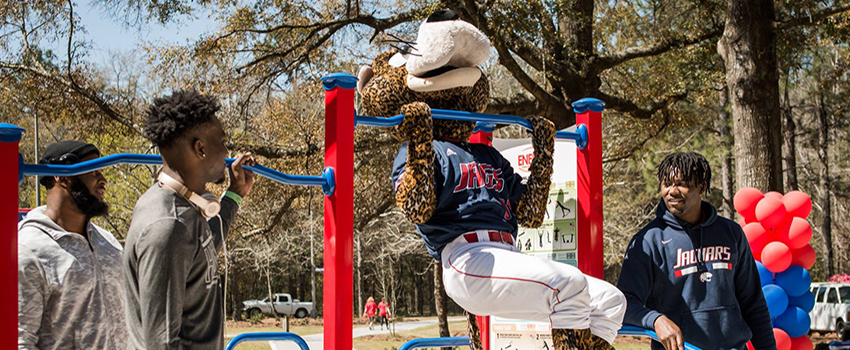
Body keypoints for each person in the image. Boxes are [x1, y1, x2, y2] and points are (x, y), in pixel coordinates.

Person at [123, 89, 255, 350]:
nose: (227, 153)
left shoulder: (181, 209)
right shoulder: (167, 226)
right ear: (200, 149)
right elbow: (160, 343)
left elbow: (201, 252)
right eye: (223, 142)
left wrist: (235, 195)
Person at [617, 152, 776, 350]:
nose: (672, 191)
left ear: (701, 187)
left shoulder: (731, 233)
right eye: (666, 184)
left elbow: (754, 304)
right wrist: (656, 320)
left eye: (681, 183)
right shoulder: (648, 241)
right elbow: (624, 303)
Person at [18, 140, 128, 349]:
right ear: (63, 176)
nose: (103, 180)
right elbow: (20, 340)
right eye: (93, 172)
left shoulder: (108, 242)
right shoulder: (29, 250)